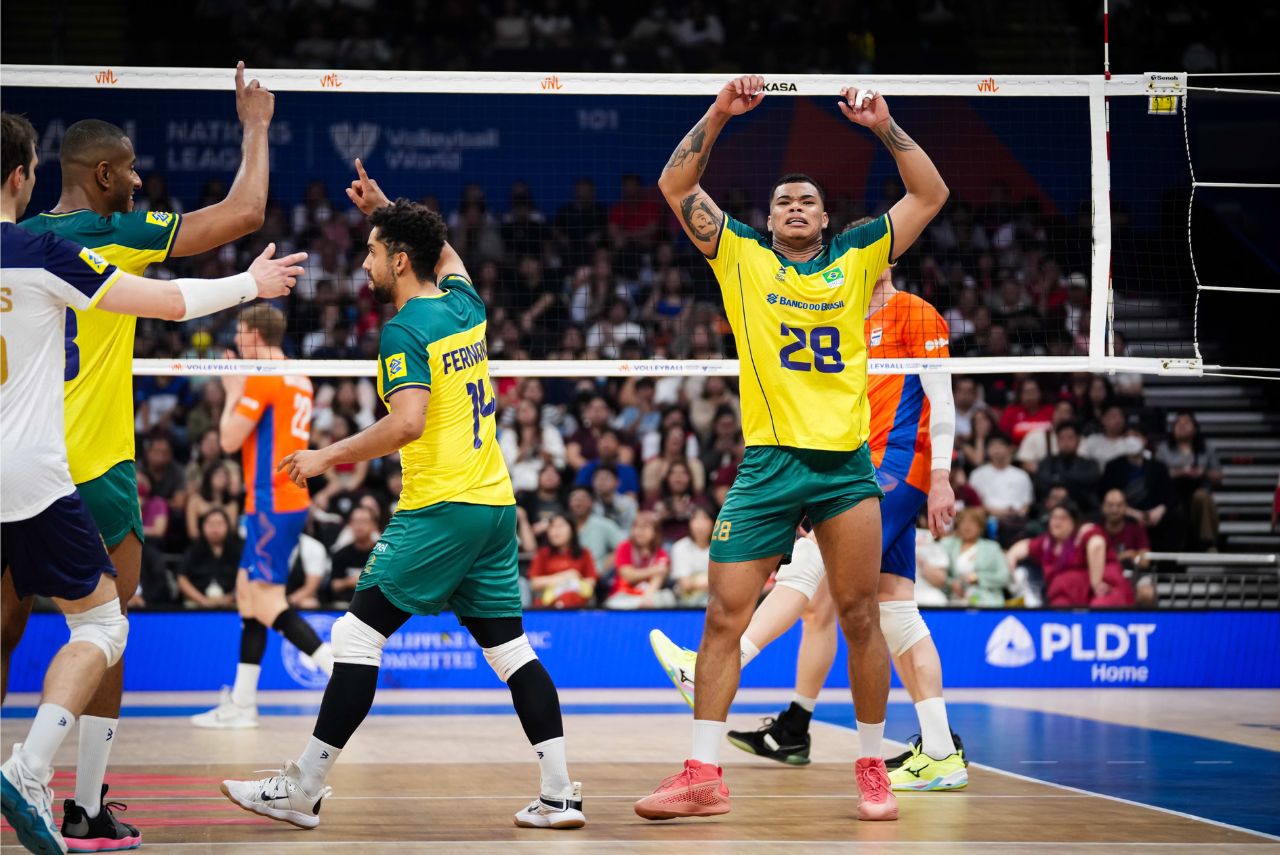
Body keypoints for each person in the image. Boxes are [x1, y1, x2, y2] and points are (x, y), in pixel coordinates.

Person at [220, 163, 585, 831]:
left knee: (357, 634)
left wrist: (327, 454)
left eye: (371, 249)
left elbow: (408, 421)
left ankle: (302, 788)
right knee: (511, 651)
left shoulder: (404, 330)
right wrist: (387, 211)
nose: (364, 261)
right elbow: (448, 255)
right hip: (495, 507)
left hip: (440, 508)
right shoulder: (464, 303)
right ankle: (561, 792)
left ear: (398, 258)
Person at [635, 74, 947, 823]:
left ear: (826, 216)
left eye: (807, 199)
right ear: (768, 219)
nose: (795, 206)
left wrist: (883, 124)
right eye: (782, 201)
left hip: (846, 469)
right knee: (722, 619)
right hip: (768, 465)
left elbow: (929, 195)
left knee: (860, 614)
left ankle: (873, 766)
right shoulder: (739, 254)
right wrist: (721, 112)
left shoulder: (860, 255)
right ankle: (702, 772)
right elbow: (676, 183)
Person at [0, 111, 301, 855]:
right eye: (130, 170)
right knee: (105, 631)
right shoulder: (109, 234)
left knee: (4, 634)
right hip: (86, 469)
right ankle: (85, 805)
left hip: (14, 465)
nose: (139, 182)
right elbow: (244, 215)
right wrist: (256, 127)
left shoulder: (31, 236)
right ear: (101, 175)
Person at [649, 263, 965, 792]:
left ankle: (724, 658)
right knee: (897, 610)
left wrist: (941, 478)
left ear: (884, 260)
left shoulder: (915, 313)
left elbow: (944, 399)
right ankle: (939, 752)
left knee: (813, 562)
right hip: (856, 464)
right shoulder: (843, 322)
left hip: (897, 467)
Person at [190, 305, 333, 729]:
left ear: (253, 333)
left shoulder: (263, 376)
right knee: (247, 596)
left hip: (274, 501)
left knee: (268, 603)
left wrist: (233, 388)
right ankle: (243, 703)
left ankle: (337, 668)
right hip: (277, 500)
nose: (235, 337)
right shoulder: (297, 374)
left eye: (239, 329)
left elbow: (230, 440)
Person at [1007, 501, 1133, 607]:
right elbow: (1024, 546)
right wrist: (1011, 557)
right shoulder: (1047, 542)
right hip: (1065, 599)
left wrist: (1096, 582)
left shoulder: (1084, 532)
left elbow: (1097, 545)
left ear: (1073, 522)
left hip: (1104, 589)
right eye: (1054, 517)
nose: (1057, 522)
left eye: (1062, 518)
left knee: (1098, 610)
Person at [1155, 411, 1221, 550]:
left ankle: (1208, 544)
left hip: (1198, 493)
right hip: (1172, 494)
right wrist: (1181, 472)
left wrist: (1203, 472)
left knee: (1202, 497)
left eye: (1187, 422)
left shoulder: (1206, 448)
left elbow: (1218, 477)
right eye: (1178, 423)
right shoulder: (1163, 449)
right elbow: (1157, 475)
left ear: (1195, 428)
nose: (1182, 426)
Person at [969, 435, 1033, 544]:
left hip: (1017, 520)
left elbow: (1026, 504)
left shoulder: (1022, 475)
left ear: (1009, 449)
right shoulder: (977, 474)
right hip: (990, 519)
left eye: (1000, 445)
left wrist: (1018, 513)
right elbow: (976, 504)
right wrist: (1001, 512)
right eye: (993, 446)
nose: (997, 449)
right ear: (987, 450)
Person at [938, 508, 1009, 606]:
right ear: (958, 526)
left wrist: (977, 578)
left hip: (986, 598)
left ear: (980, 527)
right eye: (963, 522)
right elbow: (939, 572)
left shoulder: (992, 547)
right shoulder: (947, 544)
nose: (967, 527)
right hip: (953, 597)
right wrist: (952, 584)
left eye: (972, 523)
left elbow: (1004, 577)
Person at [527, 515, 598, 609]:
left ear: (572, 530)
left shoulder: (584, 553)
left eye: (560, 526)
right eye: (552, 527)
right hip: (548, 606)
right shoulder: (542, 554)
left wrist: (573, 583)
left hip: (577, 603)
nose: (555, 531)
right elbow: (534, 583)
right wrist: (564, 577)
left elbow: (591, 581)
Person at [177, 509, 241, 609]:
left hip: (232, 604)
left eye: (219, 524)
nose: (215, 528)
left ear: (228, 526)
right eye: (210, 524)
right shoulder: (193, 550)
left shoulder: (238, 550)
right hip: (197, 604)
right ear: (202, 527)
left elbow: (247, 578)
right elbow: (181, 578)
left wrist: (230, 597)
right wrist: (202, 600)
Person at [1033, 420, 1101, 511]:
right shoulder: (1047, 462)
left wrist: (1062, 486)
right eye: (1062, 438)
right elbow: (1042, 481)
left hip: (1082, 509)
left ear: (1078, 440)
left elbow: (1091, 479)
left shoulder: (1089, 464)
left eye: (1070, 438)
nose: (1066, 442)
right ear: (1057, 440)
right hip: (1050, 510)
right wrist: (1072, 482)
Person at [327, 505, 380, 606]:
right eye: (356, 522)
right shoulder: (340, 554)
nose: (359, 527)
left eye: (364, 522)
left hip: (375, 603)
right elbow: (334, 585)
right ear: (350, 525)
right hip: (345, 605)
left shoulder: (381, 554)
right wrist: (349, 582)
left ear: (374, 525)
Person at [670, 507, 714, 607]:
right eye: (696, 519)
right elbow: (685, 584)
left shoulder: (721, 548)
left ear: (713, 522)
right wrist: (712, 581)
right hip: (686, 602)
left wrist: (695, 580)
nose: (700, 524)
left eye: (705, 519)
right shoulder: (680, 547)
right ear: (689, 523)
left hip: (715, 598)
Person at [1099, 489, 1150, 566]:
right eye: (1110, 505)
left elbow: (1145, 562)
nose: (1114, 510)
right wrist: (1124, 555)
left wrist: (1133, 556)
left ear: (1126, 507)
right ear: (1103, 507)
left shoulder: (1136, 529)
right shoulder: (1095, 530)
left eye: (1119, 505)